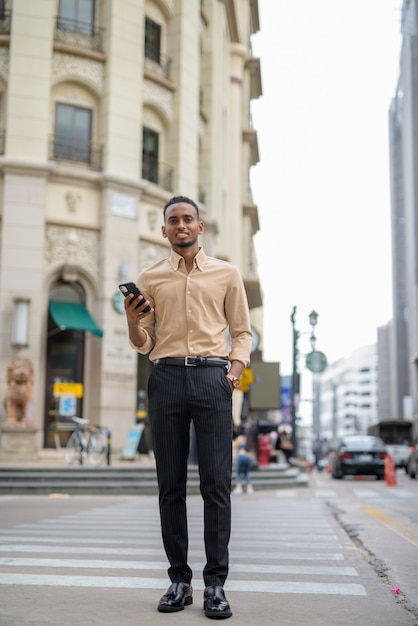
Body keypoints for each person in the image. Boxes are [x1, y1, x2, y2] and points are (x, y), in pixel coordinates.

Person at [123, 195, 252, 619]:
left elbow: (242, 331)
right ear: (164, 230)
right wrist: (131, 319)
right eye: (173, 220)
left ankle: (216, 585)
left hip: (213, 378)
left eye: (188, 219)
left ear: (200, 227)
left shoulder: (227, 274)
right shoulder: (150, 277)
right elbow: (143, 341)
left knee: (216, 485)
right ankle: (179, 580)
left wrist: (234, 369)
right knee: (170, 485)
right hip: (165, 377)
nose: (181, 225)